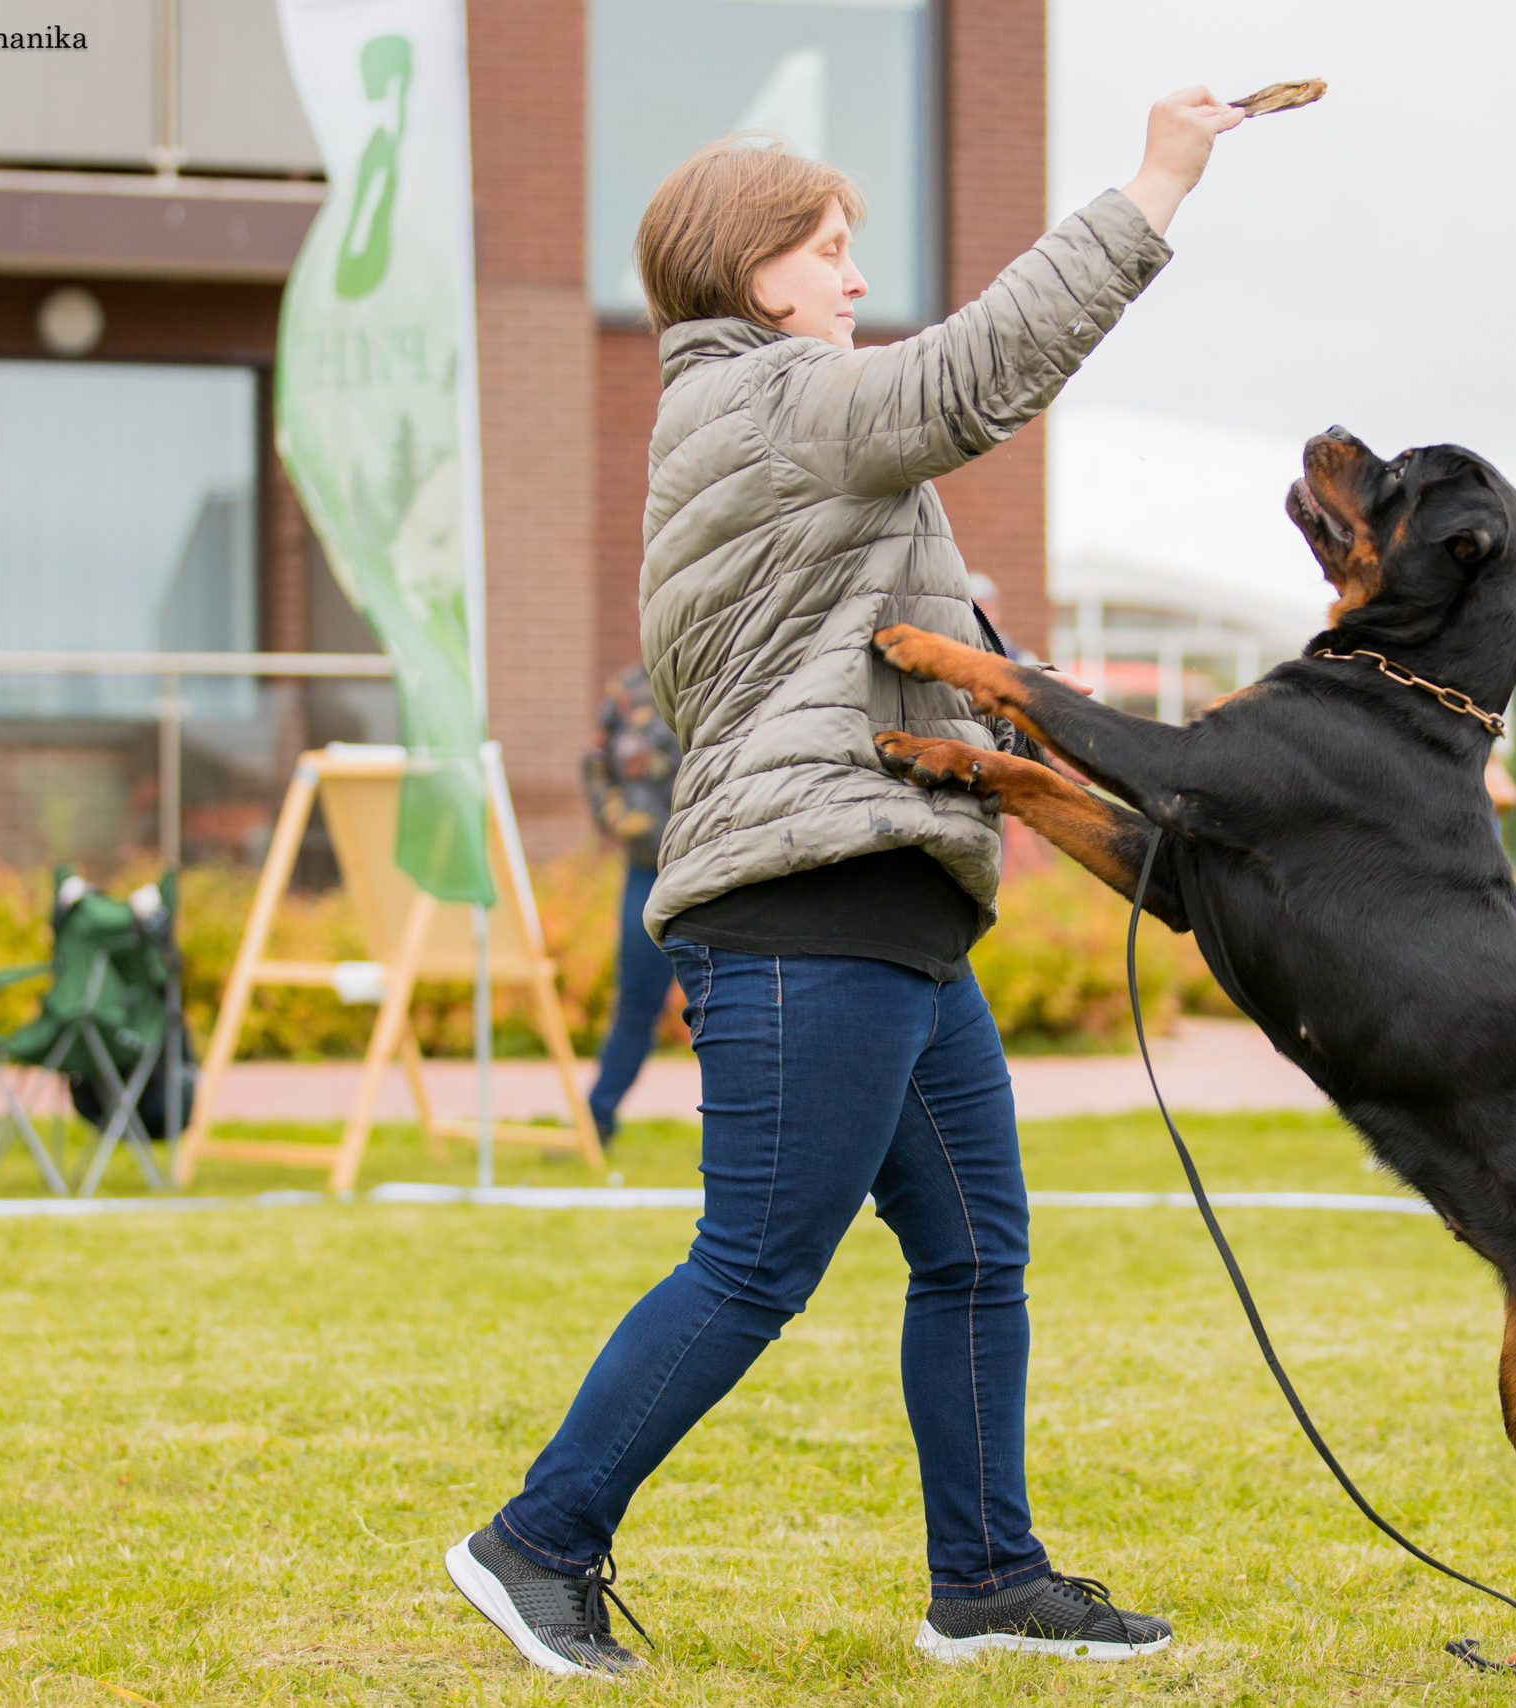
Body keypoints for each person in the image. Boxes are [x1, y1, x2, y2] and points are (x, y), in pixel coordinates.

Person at [444, 89, 1244, 1678]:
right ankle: (538, 1540)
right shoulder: (771, 399)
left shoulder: (770, 422)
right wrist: (1157, 183)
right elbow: (981, 370)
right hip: (809, 912)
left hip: (890, 907)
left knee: (976, 1248)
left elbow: (850, 648)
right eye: (827, 249)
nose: (855, 277)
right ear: (751, 276)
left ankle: (988, 1582)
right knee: (756, 1261)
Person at [579, 664, 683, 1143]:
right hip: (647, 869)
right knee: (637, 1000)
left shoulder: (732, 669)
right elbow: (596, 763)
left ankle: (753, 1129)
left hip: (722, 866)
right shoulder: (627, 690)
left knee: (741, 998)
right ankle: (597, 1119)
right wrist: (619, 819)